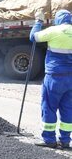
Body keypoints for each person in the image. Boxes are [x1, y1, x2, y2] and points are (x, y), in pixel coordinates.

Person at [30, 9, 72, 149]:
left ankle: (49, 140)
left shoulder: (54, 31)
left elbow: (33, 37)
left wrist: (39, 21)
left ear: (58, 19)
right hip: (70, 78)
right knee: (67, 109)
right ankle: (65, 140)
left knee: (49, 107)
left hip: (54, 77)